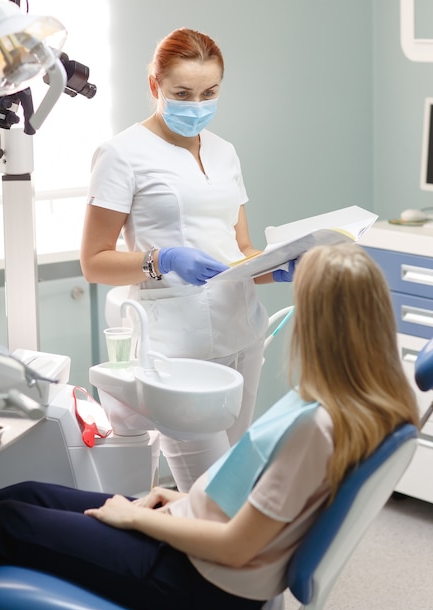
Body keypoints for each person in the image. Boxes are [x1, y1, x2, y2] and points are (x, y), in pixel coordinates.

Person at [0, 244, 419, 610]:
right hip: (197, 546)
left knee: (11, 523)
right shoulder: (357, 406)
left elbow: (237, 547)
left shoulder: (319, 428)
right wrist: (181, 500)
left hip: (198, 581)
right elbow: (263, 510)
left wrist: (136, 518)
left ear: (320, 326)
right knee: (31, 493)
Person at [80, 27, 295, 492]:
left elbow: (240, 250)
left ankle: (205, 560)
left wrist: (276, 266)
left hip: (243, 332)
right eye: (182, 93)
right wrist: (162, 259)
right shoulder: (122, 154)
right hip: (175, 347)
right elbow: (94, 262)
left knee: (234, 478)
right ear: (155, 86)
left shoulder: (224, 152)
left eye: (209, 92)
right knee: (210, 493)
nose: (197, 104)